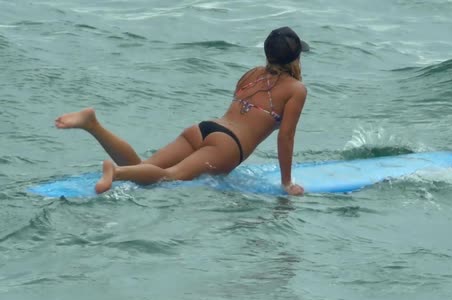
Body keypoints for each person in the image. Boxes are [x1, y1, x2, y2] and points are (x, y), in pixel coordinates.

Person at [54, 27, 307, 196]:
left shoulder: (251, 74)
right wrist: (287, 183)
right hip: (227, 147)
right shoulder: (296, 89)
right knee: (168, 176)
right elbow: (285, 137)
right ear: (296, 58)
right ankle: (116, 172)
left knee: (144, 168)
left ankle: (93, 125)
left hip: (204, 129)